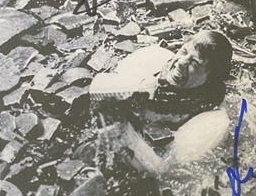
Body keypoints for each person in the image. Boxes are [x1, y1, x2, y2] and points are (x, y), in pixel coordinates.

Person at [90, 30, 233, 173]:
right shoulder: (153, 58)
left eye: (194, 63)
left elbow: (167, 169)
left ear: (210, 79)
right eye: (183, 52)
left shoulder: (212, 120)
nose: (181, 63)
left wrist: (123, 131)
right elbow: (103, 85)